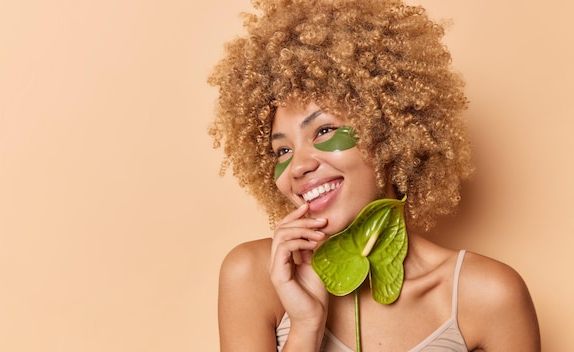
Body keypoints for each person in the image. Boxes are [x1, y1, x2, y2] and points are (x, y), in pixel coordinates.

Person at [207, 0, 541, 351]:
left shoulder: (487, 296)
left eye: (323, 131)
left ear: (388, 133)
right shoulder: (254, 276)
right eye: (282, 151)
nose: (298, 166)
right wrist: (306, 325)